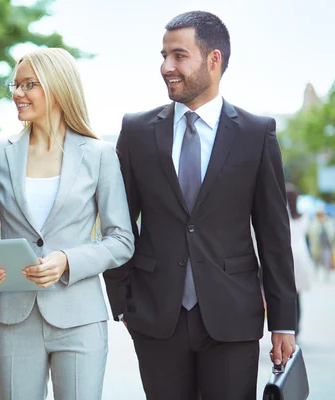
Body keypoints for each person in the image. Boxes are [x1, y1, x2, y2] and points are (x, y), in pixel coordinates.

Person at [103, 11, 297, 400]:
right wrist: (123, 302)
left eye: (178, 56)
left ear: (214, 60)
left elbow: (273, 232)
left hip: (232, 316)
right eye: (163, 56)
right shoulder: (138, 131)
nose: (166, 67)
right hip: (156, 316)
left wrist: (284, 322)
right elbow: (118, 222)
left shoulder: (257, 133)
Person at [0, 48, 134, 399]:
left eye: (29, 84)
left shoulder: (99, 154)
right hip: (13, 315)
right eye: (14, 85)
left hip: (79, 316)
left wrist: (67, 260)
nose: (17, 93)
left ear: (58, 87)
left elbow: (121, 239)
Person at [285, 184, 314, 335]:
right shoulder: (303, 218)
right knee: (297, 296)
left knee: (287, 294)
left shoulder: (283, 217)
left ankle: (289, 326)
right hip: (301, 259)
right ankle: (296, 327)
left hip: (288, 259)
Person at [308, 206, 335, 280]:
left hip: (326, 245)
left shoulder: (328, 221)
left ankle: (326, 274)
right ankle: (316, 274)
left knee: (326, 260)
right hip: (317, 245)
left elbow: (332, 233)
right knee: (317, 260)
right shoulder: (314, 222)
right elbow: (310, 233)